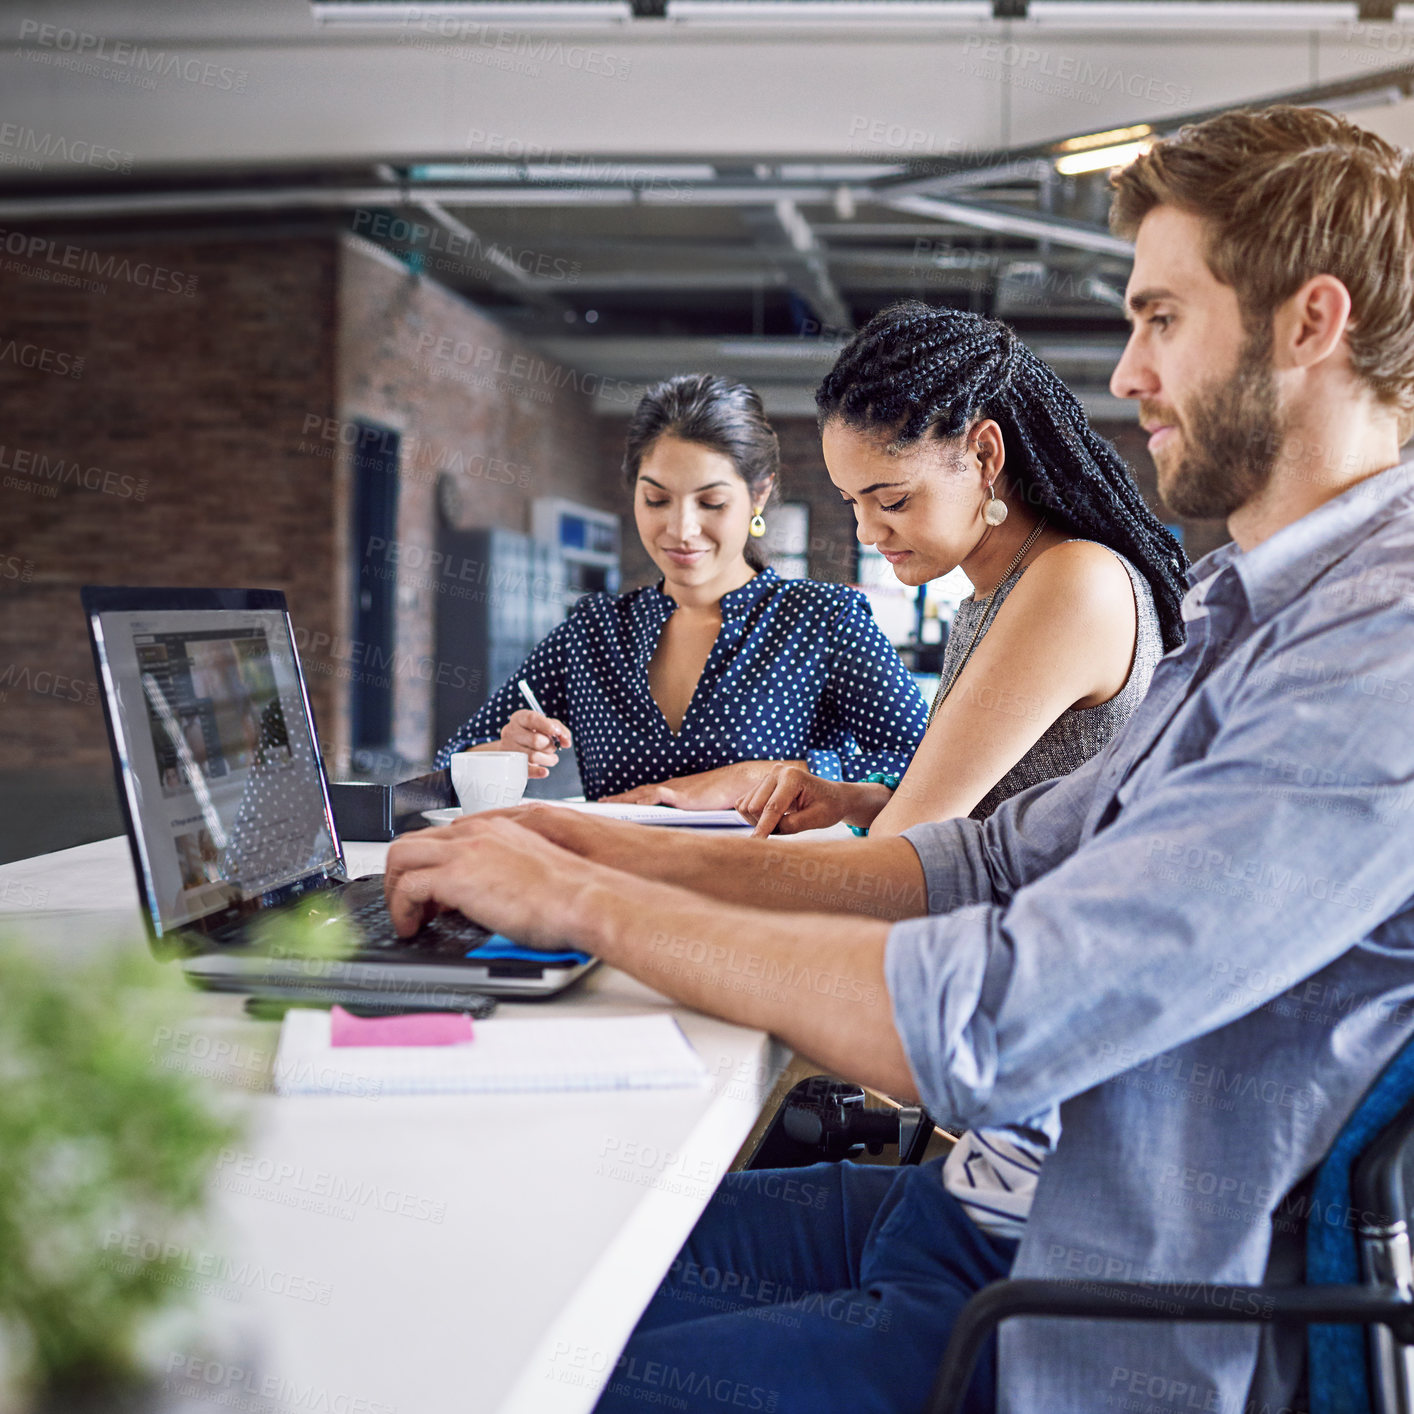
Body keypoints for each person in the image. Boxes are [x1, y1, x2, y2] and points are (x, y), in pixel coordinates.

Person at [387, 106, 1414, 1414]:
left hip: (1057, 1301)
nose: (1128, 371)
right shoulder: (1247, 608)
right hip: (970, 1207)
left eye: (1159, 316)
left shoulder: (1375, 653)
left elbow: (994, 1017)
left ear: (1310, 323)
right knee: (504, 1253)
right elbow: (977, 858)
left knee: (503, 1365)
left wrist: (584, 902)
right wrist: (575, 840)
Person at [733, 302, 1188, 840]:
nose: (866, 532)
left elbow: (902, 853)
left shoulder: (1073, 582)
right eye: (851, 502)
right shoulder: (998, 589)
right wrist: (857, 800)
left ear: (985, 455)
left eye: (893, 501)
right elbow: (976, 824)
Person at [434, 373, 927, 804]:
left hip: (763, 898)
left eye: (710, 502)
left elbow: (928, 766)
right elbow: (446, 768)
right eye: (656, 499)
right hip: (605, 894)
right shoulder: (593, 632)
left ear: (758, 495)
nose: (681, 529)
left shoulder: (821, 620)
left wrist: (775, 776)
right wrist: (499, 754)